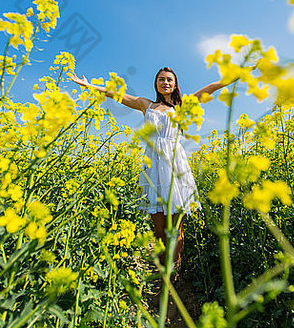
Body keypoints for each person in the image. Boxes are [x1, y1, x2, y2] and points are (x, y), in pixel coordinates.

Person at [70, 67, 231, 273]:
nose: (165, 83)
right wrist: (89, 85)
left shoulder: (181, 106)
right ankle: (163, 270)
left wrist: (236, 74)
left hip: (174, 166)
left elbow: (211, 87)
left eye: (169, 80)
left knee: (176, 229)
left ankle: (173, 276)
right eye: (161, 79)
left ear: (175, 84)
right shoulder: (146, 105)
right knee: (159, 230)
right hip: (153, 167)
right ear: (156, 84)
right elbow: (117, 94)